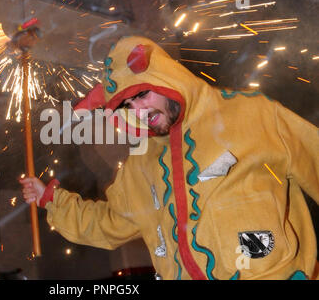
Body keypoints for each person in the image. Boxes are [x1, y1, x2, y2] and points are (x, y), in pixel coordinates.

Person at [20, 36, 318, 280]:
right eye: (127, 104)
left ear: (165, 77)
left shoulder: (254, 114)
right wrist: (51, 199)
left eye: (143, 95)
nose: (138, 112)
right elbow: (108, 223)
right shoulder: (140, 165)